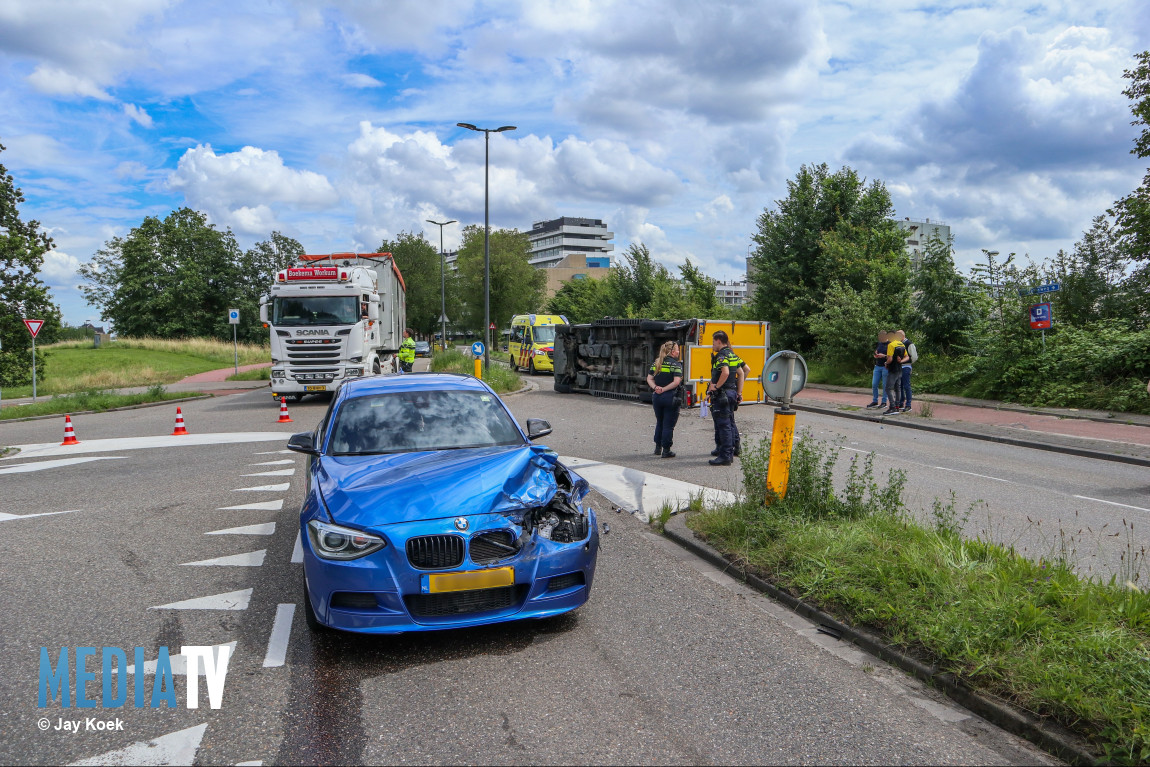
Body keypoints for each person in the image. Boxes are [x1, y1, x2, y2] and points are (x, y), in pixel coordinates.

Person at [646, 341, 683, 458]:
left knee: (660, 422)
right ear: (672, 352)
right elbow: (676, 382)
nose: (678, 352)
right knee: (668, 424)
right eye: (677, 349)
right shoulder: (676, 365)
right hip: (670, 396)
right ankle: (666, 450)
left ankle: (658, 448)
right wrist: (664, 389)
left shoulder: (657, 363)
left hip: (657, 397)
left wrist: (656, 388)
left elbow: (649, 378)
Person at [706, 330, 739, 466]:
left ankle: (725, 456)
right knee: (729, 424)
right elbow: (743, 371)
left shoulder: (722, 355)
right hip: (731, 392)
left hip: (723, 394)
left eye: (713, 341)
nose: (712, 344)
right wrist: (739, 391)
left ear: (719, 340)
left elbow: (724, 372)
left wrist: (716, 387)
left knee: (724, 425)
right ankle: (728, 453)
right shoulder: (732, 354)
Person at [882, 333, 907, 416]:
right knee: (898, 388)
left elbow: (890, 359)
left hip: (893, 369)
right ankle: (897, 407)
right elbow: (907, 357)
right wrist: (901, 361)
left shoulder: (891, 345)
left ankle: (892, 407)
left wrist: (886, 363)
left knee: (888, 388)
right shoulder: (901, 344)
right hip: (900, 369)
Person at [867, 331, 889, 408]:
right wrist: (876, 354)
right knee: (874, 384)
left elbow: (891, 356)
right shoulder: (879, 343)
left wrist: (884, 356)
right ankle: (875, 400)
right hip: (877, 366)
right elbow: (877, 351)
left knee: (884, 385)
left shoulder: (890, 344)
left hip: (885, 366)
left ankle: (884, 402)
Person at [896, 329, 913, 412]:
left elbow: (913, 356)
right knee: (900, 386)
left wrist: (909, 362)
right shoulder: (898, 344)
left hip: (906, 366)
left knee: (906, 385)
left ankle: (908, 404)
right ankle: (901, 402)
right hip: (899, 367)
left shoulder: (909, 343)